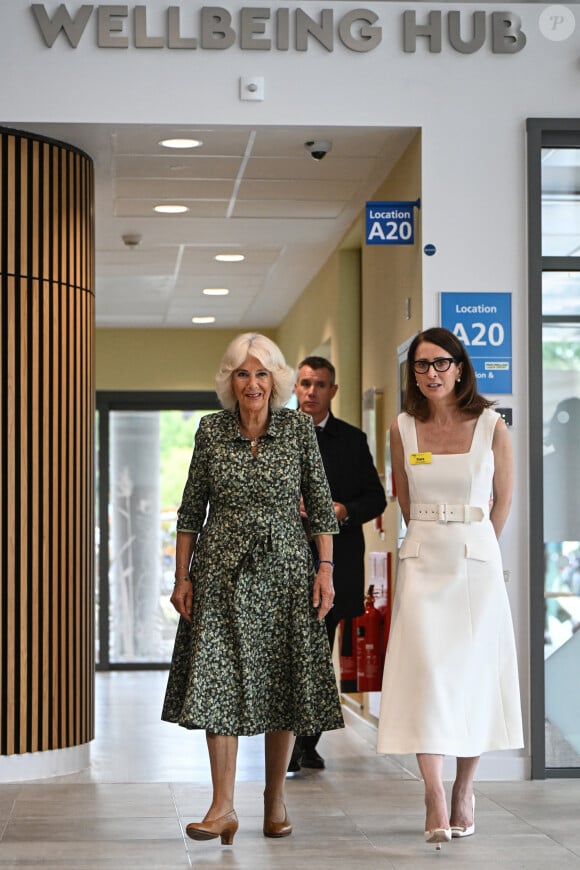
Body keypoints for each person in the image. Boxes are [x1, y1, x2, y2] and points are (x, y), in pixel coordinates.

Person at [161, 333, 344, 845]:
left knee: (280, 683)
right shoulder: (211, 431)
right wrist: (182, 576)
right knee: (219, 679)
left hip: (286, 573)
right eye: (242, 374)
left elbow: (321, 506)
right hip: (219, 573)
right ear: (230, 382)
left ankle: (274, 799)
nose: (253, 383)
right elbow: (190, 509)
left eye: (262, 374)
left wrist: (324, 570)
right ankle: (222, 807)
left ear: (277, 381)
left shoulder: (298, 429)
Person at [377, 327, 523, 851]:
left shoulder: (491, 425)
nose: (431, 373)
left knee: (471, 676)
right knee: (428, 676)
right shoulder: (402, 429)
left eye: (441, 363)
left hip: (475, 563)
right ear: (412, 374)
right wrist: (432, 537)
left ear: (460, 367)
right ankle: (434, 793)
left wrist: (475, 543)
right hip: (423, 560)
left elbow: (502, 500)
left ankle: (465, 788)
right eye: (421, 366)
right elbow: (405, 499)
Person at [290, 356, 387, 771]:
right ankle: (288, 739)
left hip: (337, 563)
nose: (311, 392)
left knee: (317, 652)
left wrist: (342, 510)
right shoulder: (275, 434)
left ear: (333, 391)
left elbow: (376, 498)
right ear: (295, 387)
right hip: (286, 560)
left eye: (320, 384)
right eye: (305, 383)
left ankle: (304, 743)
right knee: (290, 654)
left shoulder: (352, 439)